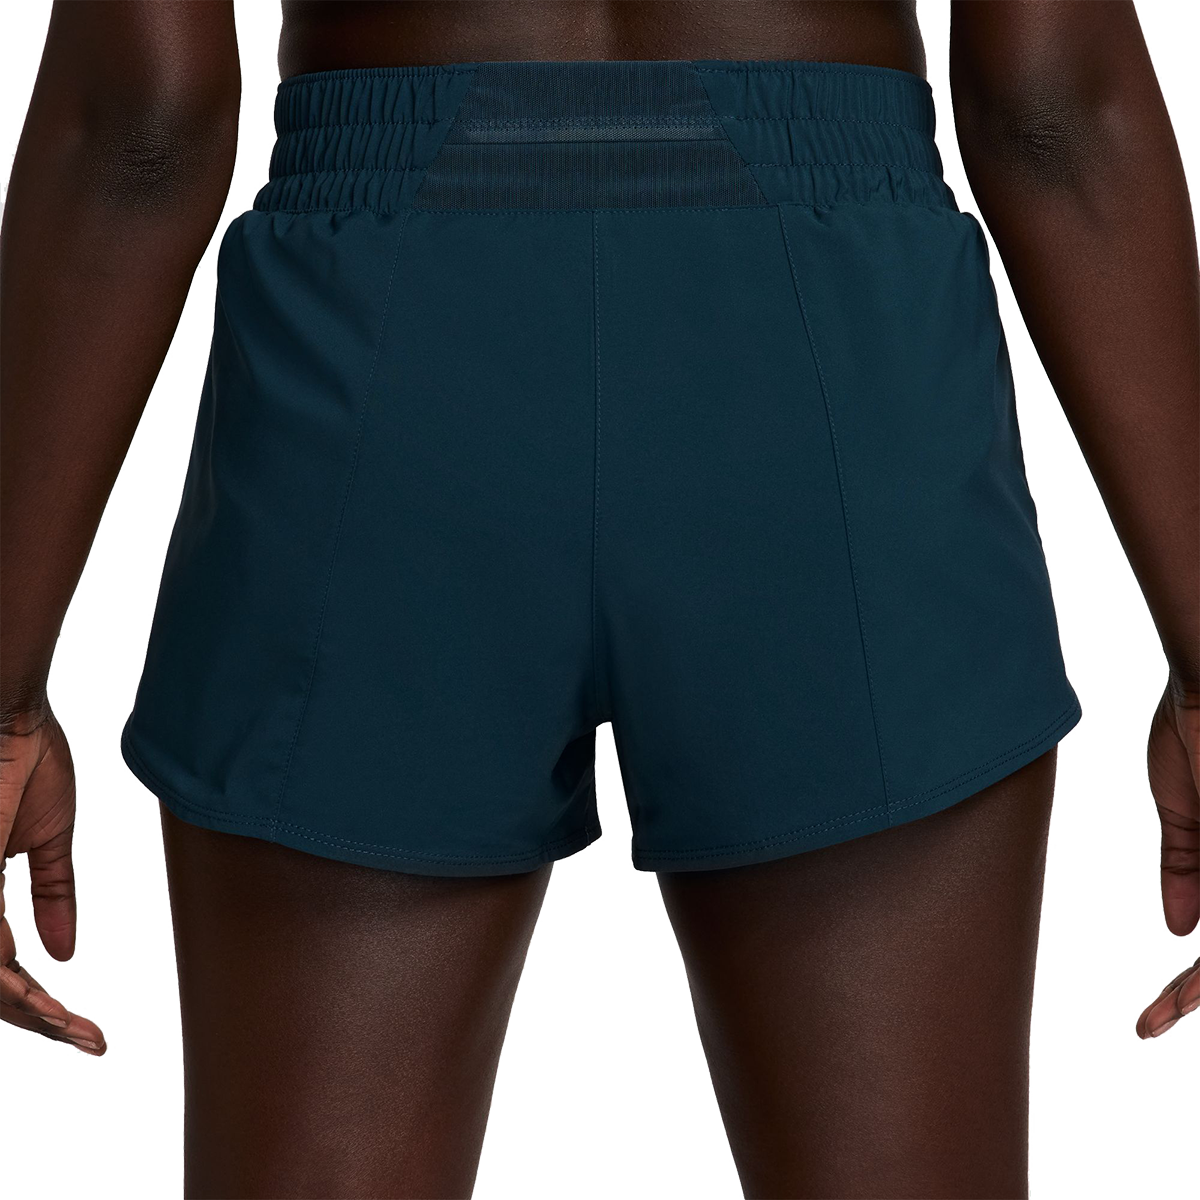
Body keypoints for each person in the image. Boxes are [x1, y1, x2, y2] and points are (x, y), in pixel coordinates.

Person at [2, 0, 1197, 1195]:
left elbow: (141, 124)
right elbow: (1054, 107)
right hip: (828, 354)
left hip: (389, 345)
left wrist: (1, 700)